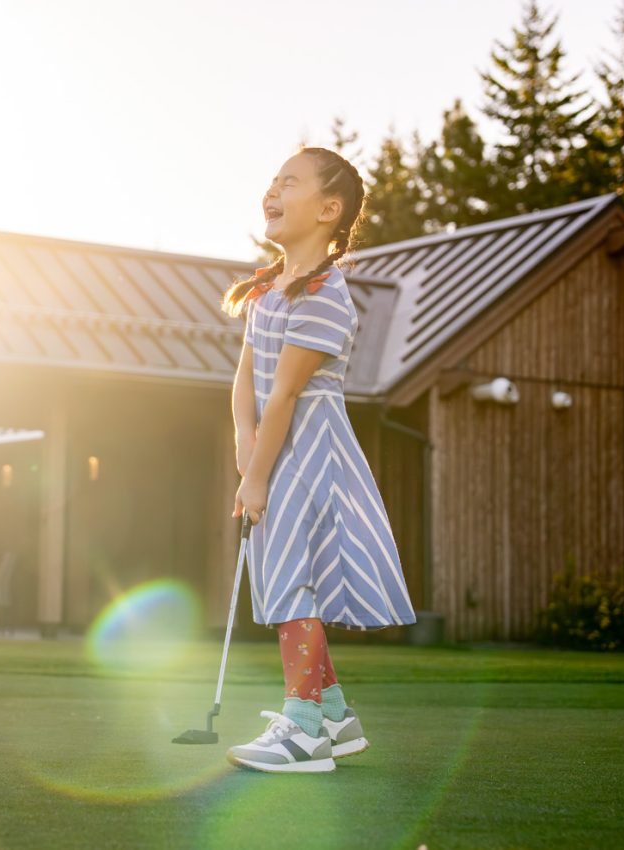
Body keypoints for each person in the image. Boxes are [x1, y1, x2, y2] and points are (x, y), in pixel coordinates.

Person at [220, 147, 417, 774]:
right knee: (284, 569)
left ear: (330, 209)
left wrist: (257, 478)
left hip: (311, 448)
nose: (272, 192)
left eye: (290, 183)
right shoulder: (266, 291)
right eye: (272, 181)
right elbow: (245, 387)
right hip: (276, 450)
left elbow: (285, 395)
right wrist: (246, 453)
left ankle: (304, 732)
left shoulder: (328, 296)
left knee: (286, 575)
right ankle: (333, 714)